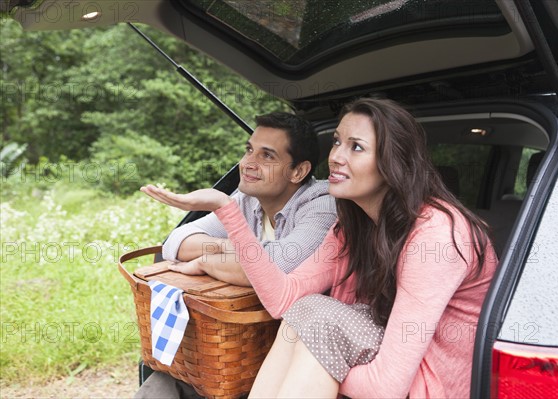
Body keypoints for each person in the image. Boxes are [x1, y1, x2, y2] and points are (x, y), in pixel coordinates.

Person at [141, 98, 499, 398]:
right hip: (376, 364)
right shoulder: (352, 224)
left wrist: (318, 361)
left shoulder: (436, 234)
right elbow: (284, 298)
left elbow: (387, 387)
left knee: (322, 319)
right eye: (337, 142)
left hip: (428, 387)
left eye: (356, 147)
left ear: (394, 163)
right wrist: (228, 210)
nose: (338, 156)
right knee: (310, 308)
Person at [135, 111, 337, 399]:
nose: (248, 163)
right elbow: (176, 243)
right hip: (238, 346)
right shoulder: (248, 199)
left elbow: (276, 269)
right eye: (249, 150)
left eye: (267, 156)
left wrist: (205, 260)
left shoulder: (323, 205)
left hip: (295, 349)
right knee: (161, 384)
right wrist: (232, 248)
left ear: (298, 172)